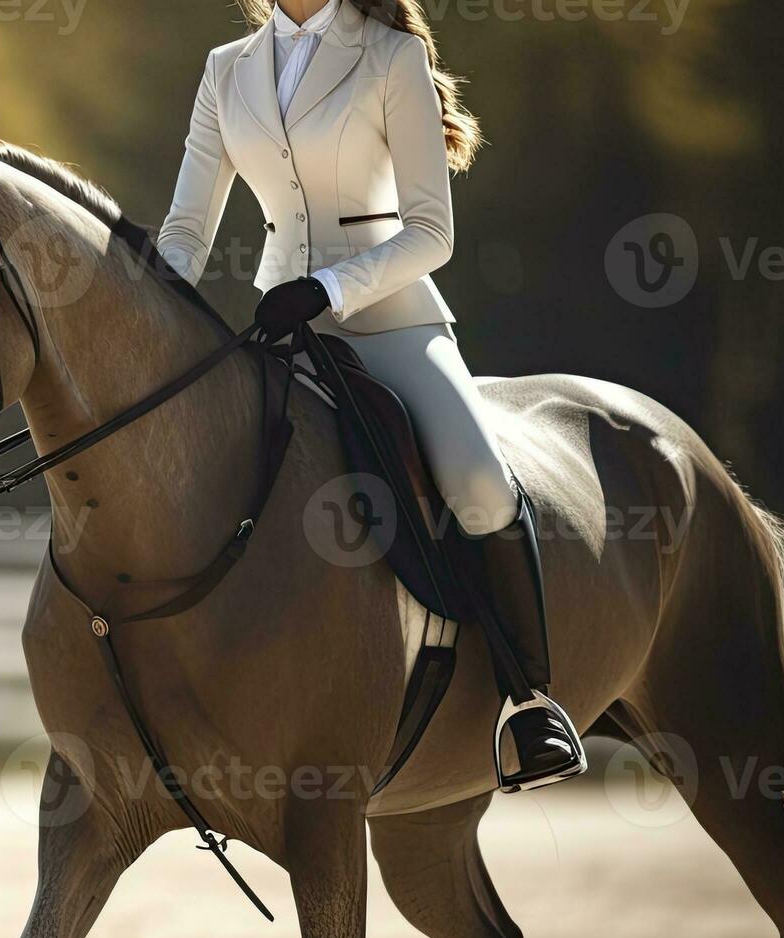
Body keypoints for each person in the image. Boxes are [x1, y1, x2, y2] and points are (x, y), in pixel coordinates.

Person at [157, 0, 586, 790]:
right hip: (281, 328)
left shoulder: (387, 56)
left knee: (479, 484)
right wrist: (152, 312)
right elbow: (185, 230)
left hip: (390, 319)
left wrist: (325, 287)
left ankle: (528, 702)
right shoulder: (226, 70)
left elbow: (430, 231)